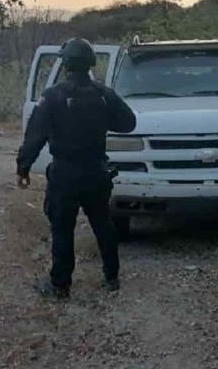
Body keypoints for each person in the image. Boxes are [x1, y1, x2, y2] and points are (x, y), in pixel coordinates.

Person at [16, 38, 136, 299]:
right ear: (90, 63)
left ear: (65, 63)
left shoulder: (52, 96)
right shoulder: (104, 94)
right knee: (103, 223)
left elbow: (34, 136)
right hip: (96, 170)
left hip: (64, 173)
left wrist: (23, 168)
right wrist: (102, 120)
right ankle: (112, 278)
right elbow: (129, 123)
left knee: (61, 228)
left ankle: (60, 286)